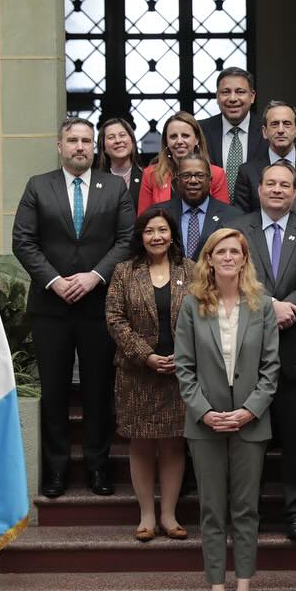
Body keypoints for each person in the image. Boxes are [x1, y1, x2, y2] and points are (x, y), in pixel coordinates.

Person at [13, 118, 135, 499]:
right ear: (60, 146)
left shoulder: (114, 187)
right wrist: (55, 280)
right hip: (51, 307)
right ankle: (56, 472)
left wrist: (94, 276)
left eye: (85, 140)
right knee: (54, 391)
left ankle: (98, 469)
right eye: (72, 140)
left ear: (93, 147)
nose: (80, 147)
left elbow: (127, 240)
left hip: (99, 305)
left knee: (99, 391)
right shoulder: (38, 185)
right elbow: (24, 240)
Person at [174, 227, 280, 591]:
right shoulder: (192, 305)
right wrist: (205, 412)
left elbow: (271, 370)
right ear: (210, 259)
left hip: (250, 424)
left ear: (244, 258)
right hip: (206, 426)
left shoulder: (263, 305)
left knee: (246, 510)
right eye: (221, 251)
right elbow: (184, 368)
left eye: (235, 251)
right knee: (212, 510)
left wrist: (249, 411)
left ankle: (243, 590)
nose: (229, 257)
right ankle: (217, 590)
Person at [227, 162, 296, 541]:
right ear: (258, 189)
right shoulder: (238, 229)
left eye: (284, 185)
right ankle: (244, 514)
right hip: (245, 351)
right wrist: (270, 304)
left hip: (295, 350)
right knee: (247, 439)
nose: (276, 190)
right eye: (269, 183)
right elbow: (228, 274)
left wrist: (288, 305)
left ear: (295, 192)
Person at [105, 207, 193, 542]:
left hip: (179, 371)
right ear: (140, 237)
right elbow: (114, 318)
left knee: (173, 443)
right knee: (141, 443)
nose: (156, 237)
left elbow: (205, 314)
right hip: (137, 373)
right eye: (149, 231)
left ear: (172, 235)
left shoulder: (193, 270)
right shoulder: (125, 271)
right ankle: (146, 516)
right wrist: (147, 356)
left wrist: (182, 356)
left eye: (162, 230)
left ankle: (169, 516)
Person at [231, 100, 296, 213]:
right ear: (264, 132)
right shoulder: (247, 171)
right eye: (274, 124)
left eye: (287, 124)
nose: (280, 130)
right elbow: (240, 217)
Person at [139, 111, 230, 213]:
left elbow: (223, 218)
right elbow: (143, 220)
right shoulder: (151, 175)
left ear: (197, 139)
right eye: (173, 136)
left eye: (185, 136)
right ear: (166, 141)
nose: (179, 141)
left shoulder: (216, 174)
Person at [162, 152, 241, 262]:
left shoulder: (233, 217)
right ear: (177, 181)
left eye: (200, 175)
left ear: (210, 181)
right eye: (186, 176)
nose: (193, 181)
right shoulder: (161, 213)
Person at [200, 67, 266, 195]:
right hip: (213, 211)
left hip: (255, 211)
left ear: (252, 97)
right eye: (225, 92)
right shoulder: (200, 130)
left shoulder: (268, 130)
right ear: (217, 97)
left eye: (240, 92)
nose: (233, 98)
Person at [95, 115, 144, 209]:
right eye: (111, 137)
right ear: (103, 147)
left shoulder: (147, 177)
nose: (118, 141)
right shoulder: (94, 182)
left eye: (122, 135)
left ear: (132, 141)